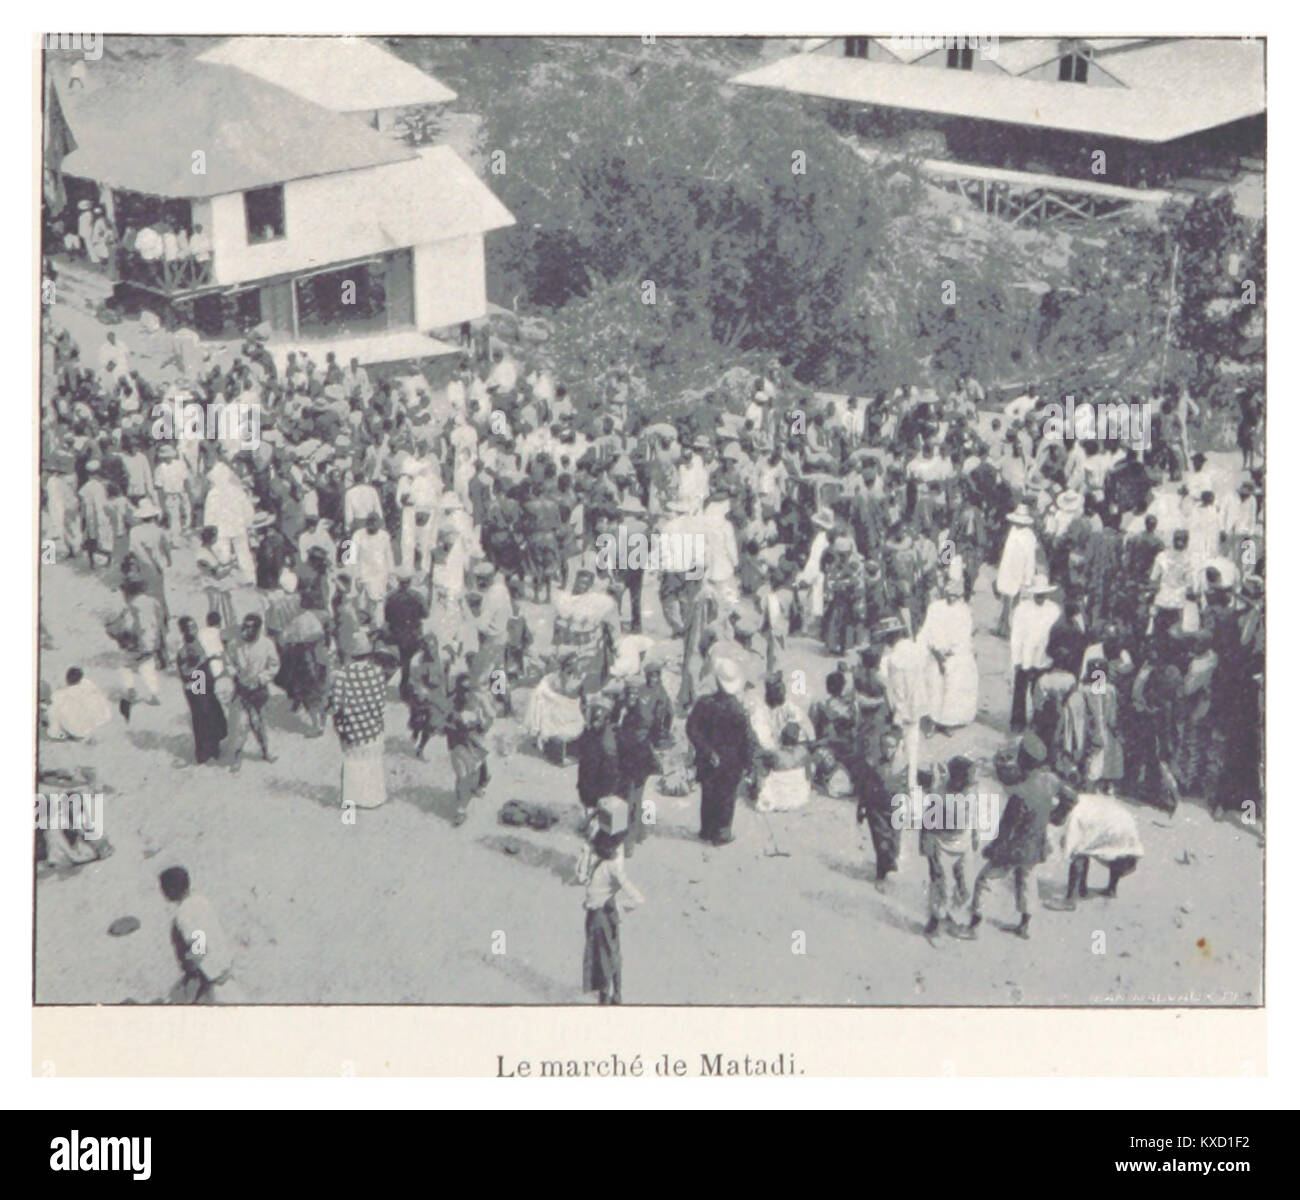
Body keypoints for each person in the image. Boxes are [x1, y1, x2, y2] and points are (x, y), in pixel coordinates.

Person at [965, 733, 1069, 940]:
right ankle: (1025, 925)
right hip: (1036, 845)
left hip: (1013, 849)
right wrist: (1057, 817)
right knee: (1026, 881)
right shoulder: (1051, 781)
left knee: (984, 881)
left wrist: (992, 849)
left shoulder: (1020, 793)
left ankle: (973, 926)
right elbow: (1071, 797)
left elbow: (1007, 830)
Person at [579, 796, 643, 1005]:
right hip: (610, 909)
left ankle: (605, 998)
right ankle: (618, 993)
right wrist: (620, 907)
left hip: (598, 913)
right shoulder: (617, 858)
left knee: (601, 959)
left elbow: (580, 876)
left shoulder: (597, 858)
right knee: (614, 953)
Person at [685, 658, 754, 846]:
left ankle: (706, 830)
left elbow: (691, 728)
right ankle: (722, 833)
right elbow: (748, 740)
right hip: (731, 762)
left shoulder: (704, 703)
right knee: (726, 797)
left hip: (708, 759)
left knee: (708, 793)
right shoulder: (738, 710)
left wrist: (706, 750)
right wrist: (749, 763)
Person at [1046, 790, 1144, 909]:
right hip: (1124, 821)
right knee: (1117, 853)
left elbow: (1074, 849)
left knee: (1078, 854)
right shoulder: (1080, 799)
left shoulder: (1074, 816)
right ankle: (1106, 889)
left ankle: (1070, 901)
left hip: (1115, 827)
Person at [327, 627, 390, 811]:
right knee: (372, 763)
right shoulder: (378, 672)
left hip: (352, 730)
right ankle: (374, 799)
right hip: (373, 727)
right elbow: (380, 702)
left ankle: (351, 805)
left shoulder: (343, 675)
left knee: (352, 764)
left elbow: (336, 706)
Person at [159, 865, 242, 1003]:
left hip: (213, 984)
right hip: (225, 972)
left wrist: (190, 967)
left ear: (171, 889)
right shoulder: (201, 901)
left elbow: (199, 947)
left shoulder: (184, 914)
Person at [919, 576, 979, 730]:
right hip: (934, 651)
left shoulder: (964, 611)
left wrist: (948, 654)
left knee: (956, 679)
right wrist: (936, 652)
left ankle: (947, 721)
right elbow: (928, 630)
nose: (952, 598)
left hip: (955, 653)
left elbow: (963, 637)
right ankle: (932, 720)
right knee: (933, 682)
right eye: (950, 594)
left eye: (956, 595)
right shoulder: (935, 608)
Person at [224, 613, 279, 772]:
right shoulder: (235, 644)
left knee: (258, 723)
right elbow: (228, 662)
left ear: (258, 628)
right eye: (245, 626)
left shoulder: (267, 644)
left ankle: (266, 751)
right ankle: (236, 758)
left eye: (251, 627)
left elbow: (274, 665)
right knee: (240, 725)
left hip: (258, 690)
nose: (247, 630)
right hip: (241, 690)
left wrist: (261, 678)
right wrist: (235, 673)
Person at [174, 617, 228, 765]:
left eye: (194, 626)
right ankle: (205, 753)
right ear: (183, 631)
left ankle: (214, 747)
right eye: (189, 628)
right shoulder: (183, 648)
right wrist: (199, 662)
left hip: (205, 681)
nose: (192, 630)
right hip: (196, 684)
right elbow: (186, 671)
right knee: (203, 717)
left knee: (212, 713)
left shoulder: (198, 641)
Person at [446, 670, 493, 826]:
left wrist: (482, 725)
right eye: (462, 690)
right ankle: (461, 810)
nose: (466, 694)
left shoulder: (479, 699)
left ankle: (478, 785)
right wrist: (456, 725)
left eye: (469, 690)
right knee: (463, 775)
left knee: (479, 770)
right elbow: (444, 726)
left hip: (476, 741)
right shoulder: (451, 704)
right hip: (458, 743)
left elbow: (491, 715)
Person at [45, 667, 112, 742]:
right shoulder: (87, 684)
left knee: (53, 708)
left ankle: (56, 732)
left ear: (67, 678)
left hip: (75, 730)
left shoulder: (60, 694)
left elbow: (52, 703)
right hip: (90, 726)